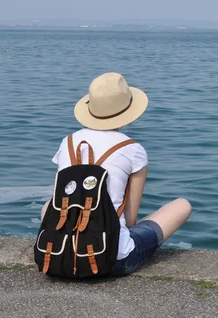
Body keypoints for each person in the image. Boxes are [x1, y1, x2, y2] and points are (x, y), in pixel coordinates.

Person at [40, 72, 192, 276]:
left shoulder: (67, 142)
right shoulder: (133, 149)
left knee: (48, 206)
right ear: (128, 111)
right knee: (182, 205)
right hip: (111, 260)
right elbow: (130, 219)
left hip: (59, 256)